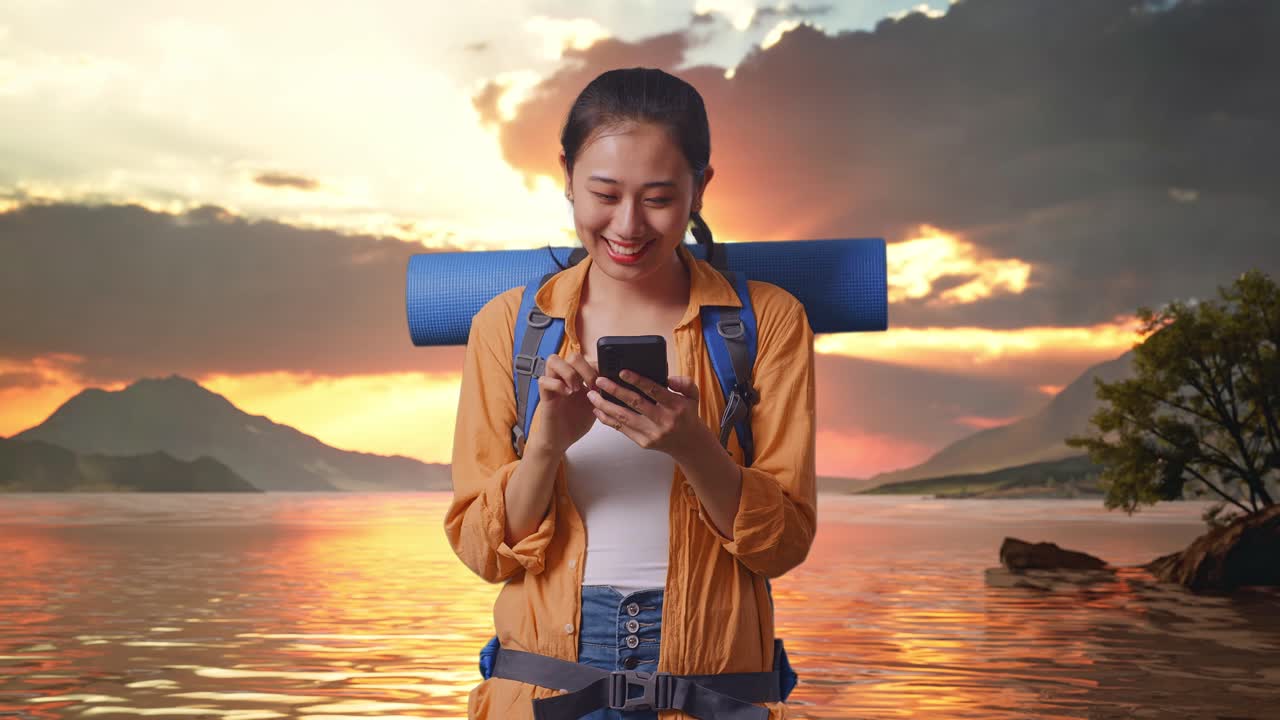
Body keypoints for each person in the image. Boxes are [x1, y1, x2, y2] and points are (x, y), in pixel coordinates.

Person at [445, 66, 817, 720]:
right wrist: (544, 450)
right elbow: (484, 553)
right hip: (541, 689)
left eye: (659, 197)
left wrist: (697, 449)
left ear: (701, 188)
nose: (628, 224)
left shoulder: (768, 322)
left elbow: (782, 545)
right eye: (604, 193)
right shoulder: (508, 327)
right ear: (565, 176)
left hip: (713, 692)